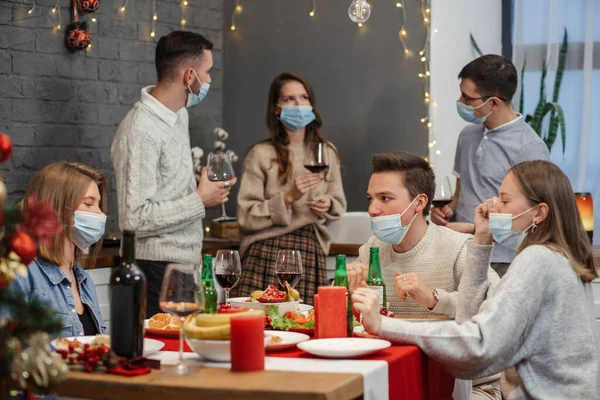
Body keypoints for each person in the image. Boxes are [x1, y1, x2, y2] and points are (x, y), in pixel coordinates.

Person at [353, 160, 600, 399]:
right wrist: (481, 239)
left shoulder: (538, 259)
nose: (493, 206)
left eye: (504, 200)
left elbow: (477, 349)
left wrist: (384, 325)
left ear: (539, 213)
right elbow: (470, 319)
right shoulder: (558, 256)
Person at [347, 152, 500, 399]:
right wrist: (351, 295)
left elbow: (495, 309)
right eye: (371, 198)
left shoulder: (459, 246)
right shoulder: (371, 249)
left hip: (470, 386)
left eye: (385, 198)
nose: (373, 210)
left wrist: (434, 299)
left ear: (419, 203)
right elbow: (359, 323)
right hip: (394, 376)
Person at [111, 31, 236, 317]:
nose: (210, 80)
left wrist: (205, 185)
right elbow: (133, 218)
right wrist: (200, 199)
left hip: (182, 264)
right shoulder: (139, 130)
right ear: (189, 76)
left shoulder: (179, 114)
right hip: (153, 268)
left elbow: (170, 188)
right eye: (207, 72)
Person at [431, 55, 550, 278]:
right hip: (460, 250)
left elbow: (532, 219)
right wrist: (449, 210)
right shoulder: (467, 135)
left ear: (494, 102)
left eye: (467, 99)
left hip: (502, 260)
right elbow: (461, 191)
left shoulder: (530, 147)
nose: (460, 102)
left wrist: (473, 228)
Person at [233, 72, 347, 304]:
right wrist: (287, 197)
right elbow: (246, 216)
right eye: (289, 99)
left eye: (303, 98)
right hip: (266, 246)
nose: (298, 104)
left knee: (302, 322)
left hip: (307, 245)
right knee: (257, 323)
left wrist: (327, 204)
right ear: (276, 109)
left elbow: (337, 203)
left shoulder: (327, 152)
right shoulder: (261, 153)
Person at [10, 162, 108, 338]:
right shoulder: (22, 276)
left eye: (99, 204)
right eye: (88, 204)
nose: (101, 215)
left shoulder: (84, 281)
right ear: (56, 207)